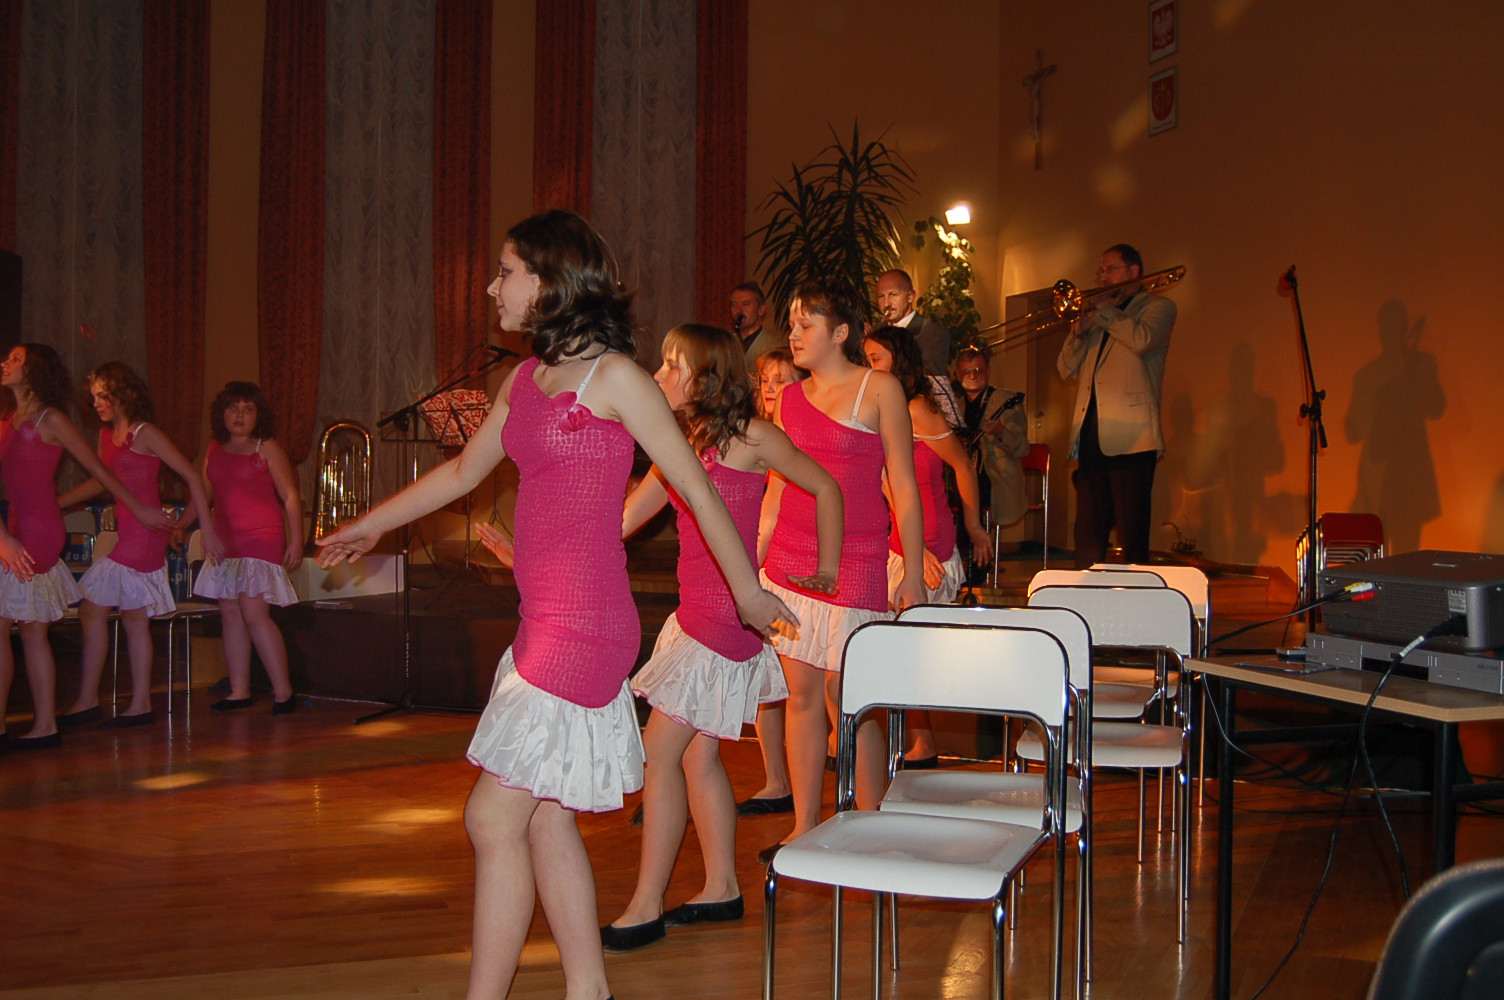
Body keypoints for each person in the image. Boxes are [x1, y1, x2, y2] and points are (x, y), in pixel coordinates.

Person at [317, 210, 794, 1000]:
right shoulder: (524, 381)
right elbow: (463, 473)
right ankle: (588, 988)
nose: (491, 287)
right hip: (543, 622)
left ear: (550, 281)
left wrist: (746, 591)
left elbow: (696, 486)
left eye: (506, 271)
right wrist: (371, 525)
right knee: (542, 816)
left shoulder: (617, 378)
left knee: (491, 818)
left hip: (586, 628)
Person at [596, 323, 839, 951]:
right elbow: (624, 520)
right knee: (695, 756)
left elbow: (825, 486)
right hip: (696, 616)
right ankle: (722, 887)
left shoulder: (754, 437)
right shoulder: (679, 441)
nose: (658, 375)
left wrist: (827, 566)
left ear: (706, 377)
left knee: (659, 754)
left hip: (725, 621)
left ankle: (646, 904)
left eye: (671, 365)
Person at [758, 281, 925, 860]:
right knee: (800, 692)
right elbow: (777, 484)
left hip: (856, 559)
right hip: (791, 560)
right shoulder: (789, 398)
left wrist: (912, 571)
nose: (794, 335)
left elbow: (903, 484)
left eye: (806, 324)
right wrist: (757, 554)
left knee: (850, 693)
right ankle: (804, 824)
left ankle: (869, 822)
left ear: (840, 332)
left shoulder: (879, 388)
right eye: (791, 324)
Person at [0, 344, 172, 748]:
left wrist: (139, 509)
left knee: (30, 629)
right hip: (15, 523)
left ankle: (46, 725)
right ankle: (19, 724)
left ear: (35, 369)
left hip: (38, 532)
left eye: (16, 358)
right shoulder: (7, 419)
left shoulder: (51, 419)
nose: (5, 362)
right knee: (12, 627)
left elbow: (101, 472)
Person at [58, 363, 225, 726]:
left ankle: (109, 701)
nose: (97, 403)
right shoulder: (107, 435)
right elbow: (103, 481)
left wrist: (205, 529)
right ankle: (127, 703)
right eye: (94, 397)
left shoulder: (145, 433)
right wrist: (59, 503)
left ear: (124, 394)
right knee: (122, 616)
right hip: (132, 531)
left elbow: (193, 477)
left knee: (100, 610)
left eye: (103, 396)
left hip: (145, 534)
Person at [864, 326, 989, 766]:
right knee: (900, 646)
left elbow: (963, 466)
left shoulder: (917, 408)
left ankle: (923, 742)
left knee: (911, 646)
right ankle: (920, 741)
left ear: (898, 362)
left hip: (930, 538)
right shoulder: (881, 408)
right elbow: (886, 485)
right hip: (902, 539)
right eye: (866, 359)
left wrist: (973, 526)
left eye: (876, 359)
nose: (868, 368)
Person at [185, 382, 302, 712]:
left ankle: (283, 692)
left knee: (253, 611)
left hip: (261, 537)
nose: (239, 415)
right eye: (233, 408)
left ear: (258, 415)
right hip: (225, 539)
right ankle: (239, 690)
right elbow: (202, 495)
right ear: (221, 414)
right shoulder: (213, 449)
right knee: (230, 611)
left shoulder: (267, 448)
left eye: (248, 409)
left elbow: (290, 496)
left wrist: (296, 538)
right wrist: (181, 524)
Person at [1056, 243, 1175, 566]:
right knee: (1088, 529)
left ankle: (1136, 588)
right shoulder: (1100, 318)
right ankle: (1086, 586)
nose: (1102, 276)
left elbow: (1143, 340)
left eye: (1110, 269)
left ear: (1134, 271)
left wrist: (1106, 312)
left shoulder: (1158, 307)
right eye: (1101, 270)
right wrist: (1078, 332)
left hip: (1134, 438)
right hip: (1091, 434)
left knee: (1132, 528)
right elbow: (1065, 368)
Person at [735, 347, 803, 815]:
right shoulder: (755, 430)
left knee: (796, 685)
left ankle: (794, 778)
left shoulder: (787, 436)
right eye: (766, 380)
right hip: (763, 559)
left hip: (784, 564)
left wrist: (747, 571)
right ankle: (776, 779)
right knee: (769, 682)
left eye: (783, 379)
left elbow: (774, 513)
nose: (773, 387)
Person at [954, 344, 1031, 573]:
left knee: (971, 491)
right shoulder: (952, 404)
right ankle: (961, 561)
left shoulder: (1006, 401)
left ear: (988, 371)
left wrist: (1000, 432)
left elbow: (1022, 447)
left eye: (978, 370)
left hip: (994, 476)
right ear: (957, 374)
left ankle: (976, 564)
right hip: (960, 473)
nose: (973, 376)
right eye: (967, 371)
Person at [874, 268, 964, 426]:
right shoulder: (876, 334)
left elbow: (929, 380)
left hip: (921, 417)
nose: (886, 303)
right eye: (881, 296)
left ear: (910, 296)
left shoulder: (932, 332)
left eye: (893, 295)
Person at [729, 281, 784, 372]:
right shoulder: (725, 343)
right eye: (734, 305)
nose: (738, 310)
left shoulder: (775, 347)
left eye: (746, 304)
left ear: (761, 310)